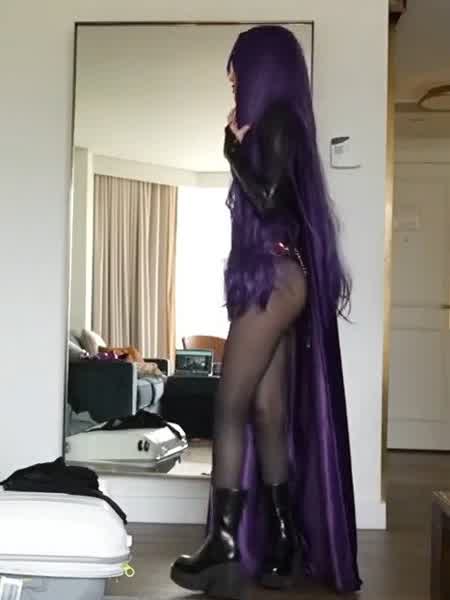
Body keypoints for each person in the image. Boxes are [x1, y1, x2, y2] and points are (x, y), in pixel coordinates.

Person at [170, 25, 361, 599]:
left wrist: (231, 153)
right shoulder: (285, 122)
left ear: (262, 68)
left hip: (275, 278)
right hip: (284, 276)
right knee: (267, 410)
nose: (232, 80)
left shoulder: (275, 122)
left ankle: (222, 544)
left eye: (237, 70)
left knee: (228, 406)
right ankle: (283, 541)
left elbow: (271, 199)